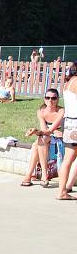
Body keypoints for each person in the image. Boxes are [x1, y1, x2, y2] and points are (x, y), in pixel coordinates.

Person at [20, 89, 64, 187]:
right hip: (48, 137)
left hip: (61, 138)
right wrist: (37, 132)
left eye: (53, 98)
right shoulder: (41, 111)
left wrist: (37, 132)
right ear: (44, 99)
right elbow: (45, 131)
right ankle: (43, 175)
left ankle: (33, 175)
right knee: (38, 142)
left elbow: (49, 131)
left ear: (57, 99)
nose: (50, 100)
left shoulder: (61, 111)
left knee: (38, 142)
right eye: (47, 98)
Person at [57, 64, 77, 200]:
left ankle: (63, 189)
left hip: (69, 122)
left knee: (67, 159)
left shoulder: (67, 83)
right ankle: (65, 188)